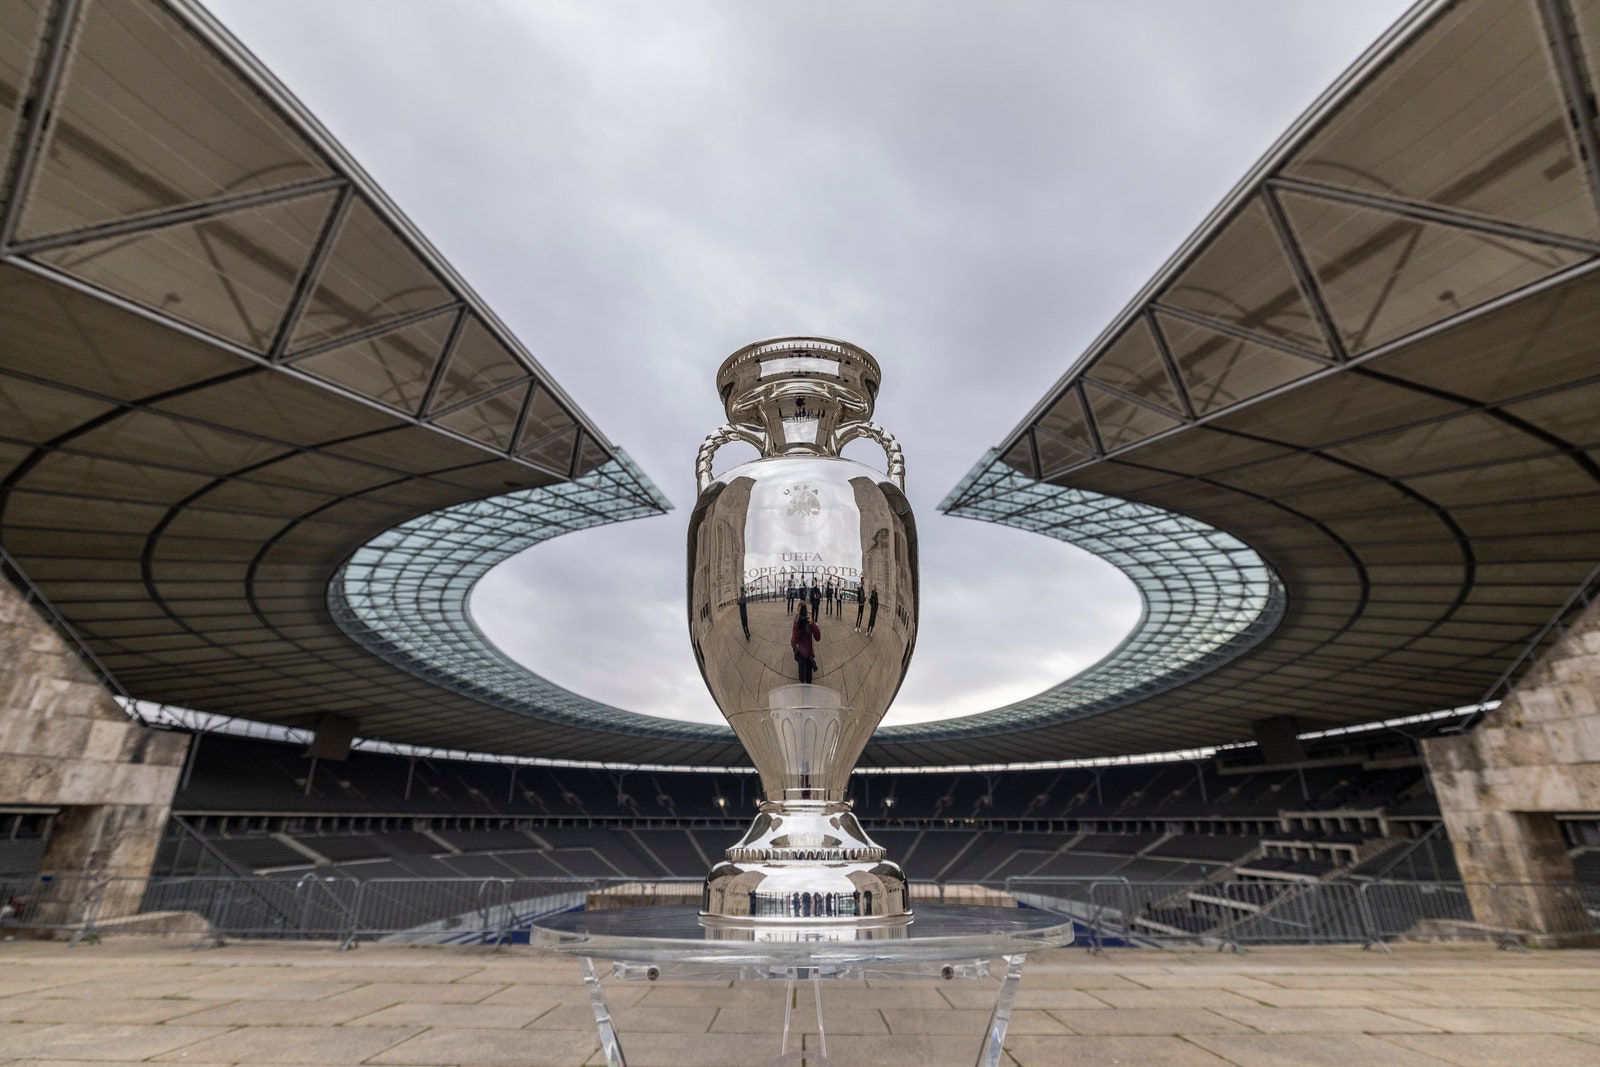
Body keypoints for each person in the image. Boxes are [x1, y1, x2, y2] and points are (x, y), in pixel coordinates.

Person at [791, 606, 821, 684]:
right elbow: (794, 639)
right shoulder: (796, 621)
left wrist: (812, 624)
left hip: (809, 653)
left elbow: (818, 637)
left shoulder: (809, 621)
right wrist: (798, 625)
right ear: (798, 612)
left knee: (809, 678)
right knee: (802, 677)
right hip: (800, 653)